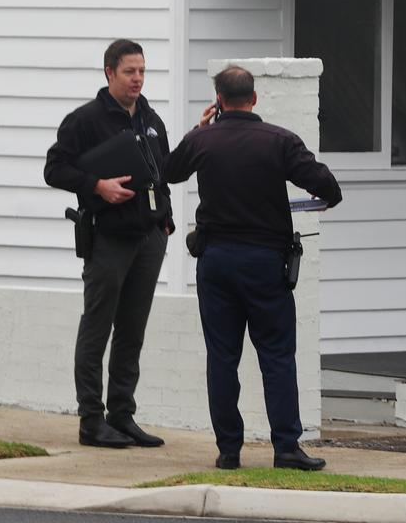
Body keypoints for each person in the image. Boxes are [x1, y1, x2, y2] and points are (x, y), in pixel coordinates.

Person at [163, 65, 341, 471]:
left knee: (222, 357)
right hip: (264, 262)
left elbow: (171, 172)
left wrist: (198, 128)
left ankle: (228, 449)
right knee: (277, 355)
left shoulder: (202, 140)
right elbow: (328, 187)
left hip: (217, 261)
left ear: (219, 100)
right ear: (254, 98)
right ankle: (286, 447)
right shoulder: (278, 140)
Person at [44, 39, 174, 449]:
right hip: (108, 238)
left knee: (132, 331)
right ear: (109, 73)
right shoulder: (84, 121)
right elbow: (54, 169)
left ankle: (122, 415)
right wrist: (96, 186)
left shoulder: (151, 118)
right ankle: (91, 420)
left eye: (141, 72)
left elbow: (161, 172)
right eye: (129, 72)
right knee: (97, 327)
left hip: (149, 238)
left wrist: (165, 220)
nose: (137, 79)